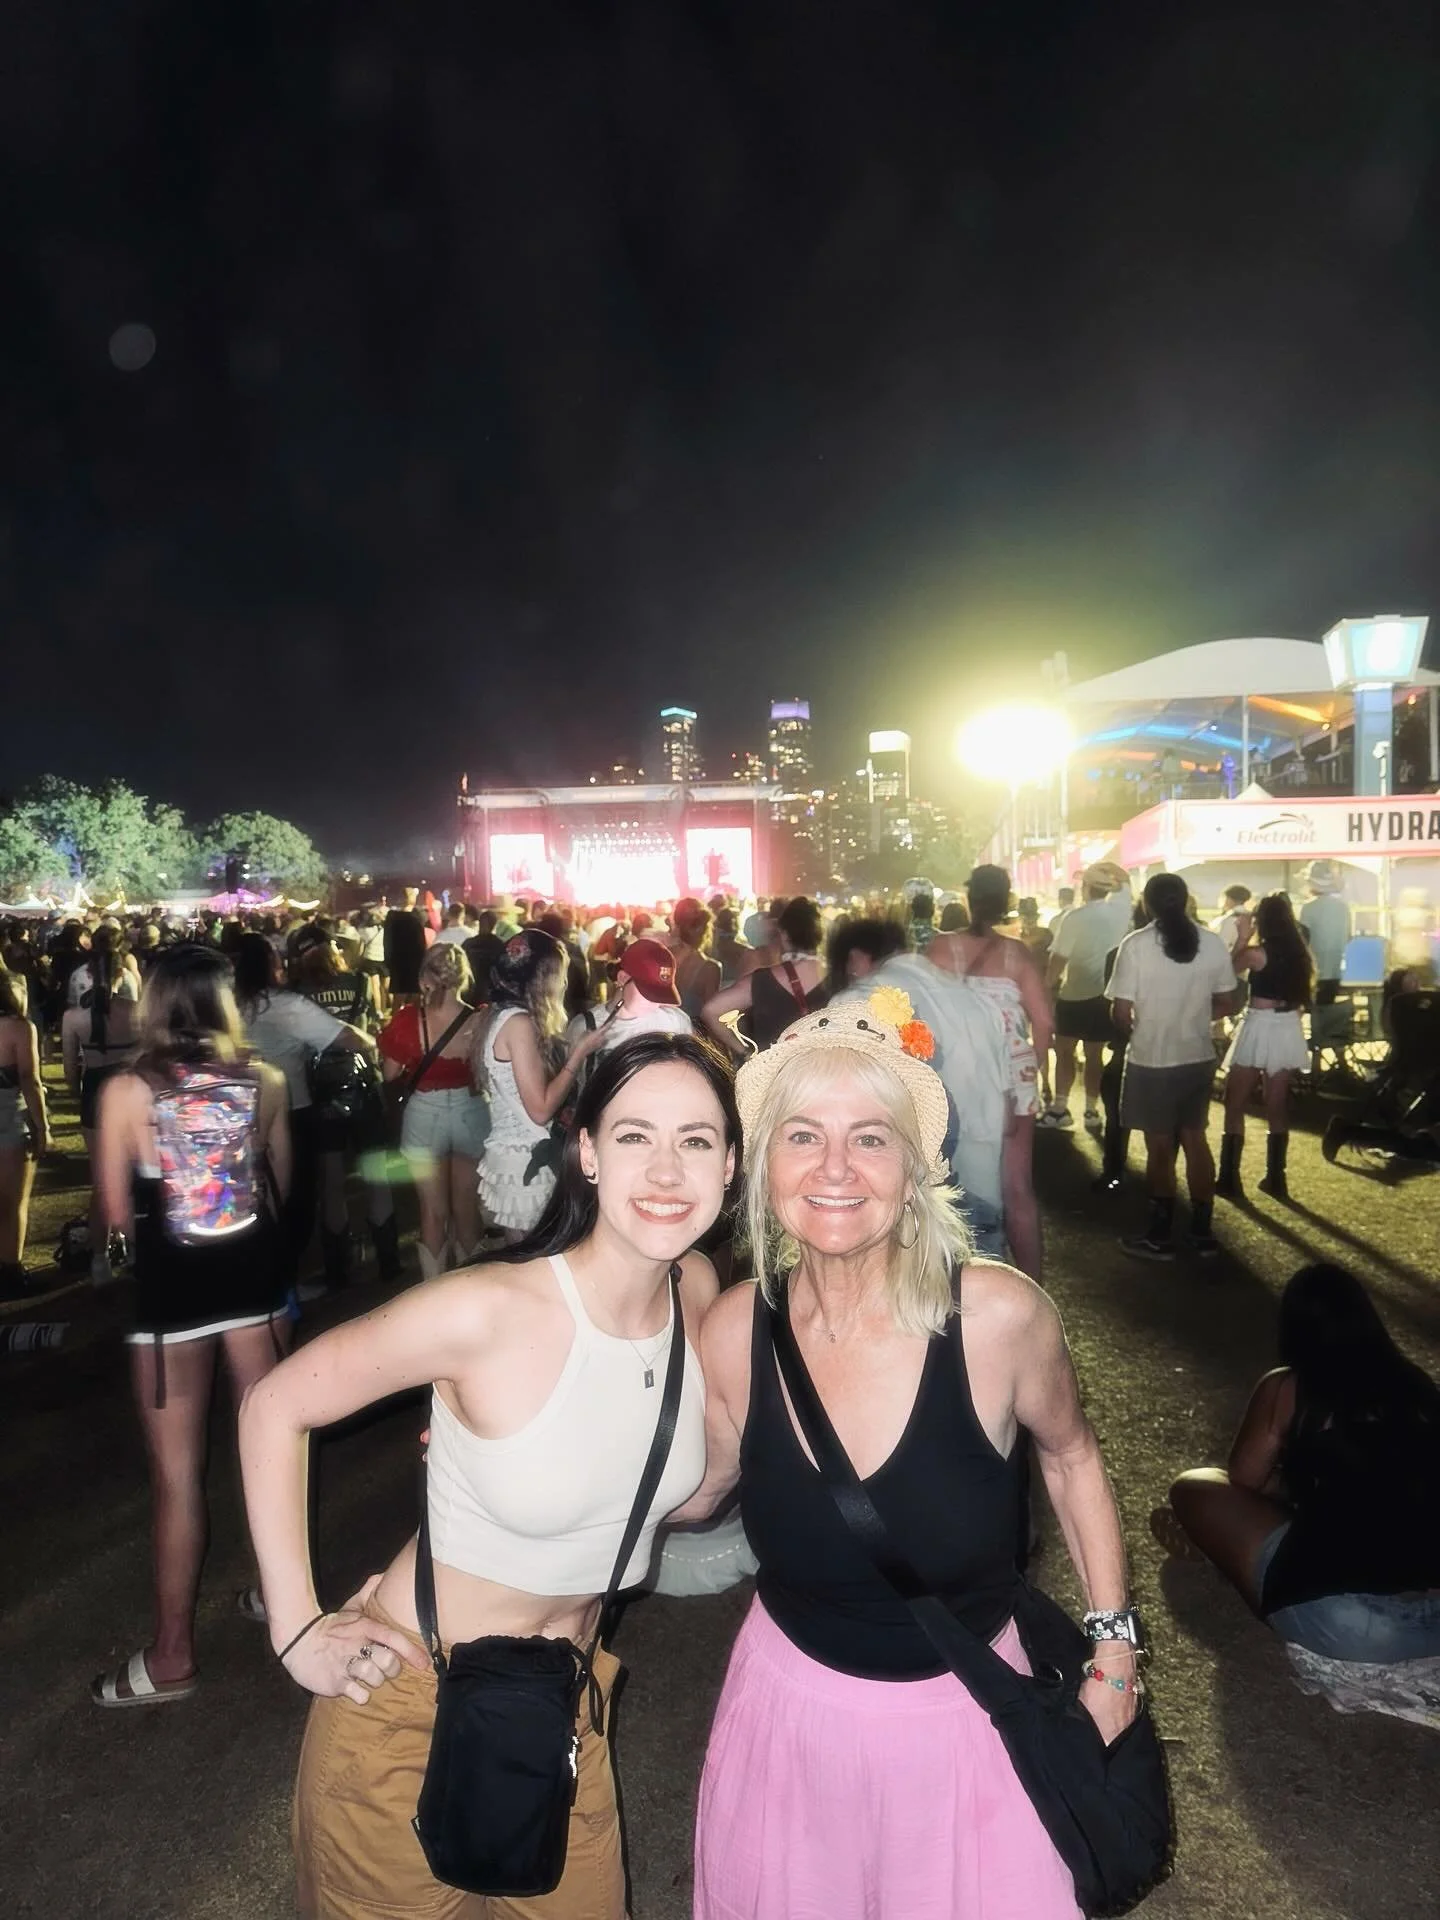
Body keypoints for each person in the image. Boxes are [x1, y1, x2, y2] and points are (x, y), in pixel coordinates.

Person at [238, 1033, 737, 1920]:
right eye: (634, 1137)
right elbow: (274, 1406)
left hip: (559, 1708)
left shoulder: (698, 1289)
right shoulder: (489, 1310)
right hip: (405, 1706)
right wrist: (295, 1629)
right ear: (585, 1150)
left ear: (730, 1163)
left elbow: (677, 1489)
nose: (666, 1169)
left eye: (696, 1140)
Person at [685, 996, 1138, 1919]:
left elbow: (1073, 1460)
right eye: (803, 1135)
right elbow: (696, 1496)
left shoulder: (999, 1318)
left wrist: (1116, 1655)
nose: (837, 1169)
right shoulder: (734, 1330)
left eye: (872, 1138)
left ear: (916, 1164)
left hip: (971, 1721)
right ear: (763, 1163)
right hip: (789, 1717)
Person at [90, 946, 291, 1707]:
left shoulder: (126, 1092)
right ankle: (283, 1596)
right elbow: (282, 1185)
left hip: (172, 1301)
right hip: (254, 1288)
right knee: (270, 1450)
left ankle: (172, 1655)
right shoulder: (264, 1080)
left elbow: (114, 1215)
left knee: (178, 1478)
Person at [1153, 1264, 1440, 1701]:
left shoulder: (1289, 1387)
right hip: (1431, 1622)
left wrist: (1293, 1485)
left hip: (1349, 1622)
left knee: (1195, 1487)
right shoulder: (1417, 1387)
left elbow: (1245, 1480)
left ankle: (1224, 1551)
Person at [1105, 872, 1240, 1261]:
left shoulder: (1136, 946)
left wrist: (1140, 1028)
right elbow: (1228, 1001)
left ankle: (1161, 1234)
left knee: (1159, 1145)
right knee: (1195, 1138)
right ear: (1185, 901)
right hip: (1197, 1057)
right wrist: (1197, 1018)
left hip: (1151, 1058)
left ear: (1146, 903)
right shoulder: (1211, 942)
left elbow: (1121, 1010)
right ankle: (1202, 1231)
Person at [928, 865, 1054, 1280]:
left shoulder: (940, 949)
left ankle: (964, 1284)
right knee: (1017, 1186)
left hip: (958, 1079)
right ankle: (1031, 1291)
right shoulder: (1017, 953)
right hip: (1012, 1077)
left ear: (969, 897)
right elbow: (1044, 1023)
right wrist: (1024, 1069)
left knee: (955, 1181)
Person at [233, 934, 378, 1293]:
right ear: (271, 966)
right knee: (294, 1198)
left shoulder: (224, 1005)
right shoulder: (287, 1006)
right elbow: (349, 1038)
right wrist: (370, 1038)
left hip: (233, 1115)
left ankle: (255, 1275)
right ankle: (283, 1284)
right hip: (290, 1112)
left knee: (244, 1199)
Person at [477, 928, 608, 1238]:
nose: (563, 983)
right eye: (559, 974)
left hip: (510, 1156)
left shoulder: (498, 1015)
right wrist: (579, 1054)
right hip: (527, 1161)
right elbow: (540, 1109)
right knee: (538, 1263)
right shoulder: (519, 1024)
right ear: (541, 979)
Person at [379, 943, 488, 1278]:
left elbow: (389, 1073)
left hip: (425, 1115)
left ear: (426, 978)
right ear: (462, 977)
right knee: (467, 1209)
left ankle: (434, 1290)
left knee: (431, 1211)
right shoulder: (480, 1019)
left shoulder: (409, 1020)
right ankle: (470, 1290)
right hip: (471, 1112)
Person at [1216, 892, 1314, 1203]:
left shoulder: (1258, 954)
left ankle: (1229, 1177)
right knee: (1276, 1103)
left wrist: (1242, 938)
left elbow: (1225, 972)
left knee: (1235, 1101)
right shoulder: (1301, 955)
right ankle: (1276, 1177)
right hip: (1287, 1027)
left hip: (1259, 1024)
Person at [62, 927, 139, 1286]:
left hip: (95, 1093)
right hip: (132, 1091)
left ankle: (99, 1260)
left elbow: (68, 1071)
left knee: (101, 1181)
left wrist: (81, 1097)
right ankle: (138, 1250)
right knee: (139, 1173)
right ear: (122, 974)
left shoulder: (73, 1018)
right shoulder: (136, 1011)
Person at [1043, 863, 1133, 1130]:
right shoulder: (1120, 911)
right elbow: (1125, 882)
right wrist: (1111, 869)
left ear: (1085, 889)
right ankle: (1092, 1111)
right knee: (1095, 1055)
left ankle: (1060, 1108)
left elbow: (1059, 958)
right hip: (1105, 995)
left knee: (1064, 1052)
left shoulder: (1074, 917)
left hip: (1073, 995)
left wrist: (1046, 986)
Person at [701, 895, 828, 1058]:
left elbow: (710, 1010)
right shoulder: (843, 978)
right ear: (820, 936)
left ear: (784, 934)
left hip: (774, 1074)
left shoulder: (762, 980)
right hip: (827, 1074)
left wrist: (747, 1052)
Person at [0, 969, 51, 1301]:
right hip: (8, 1115)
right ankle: (10, 1272)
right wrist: (43, 1127)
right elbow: (30, 1080)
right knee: (13, 1202)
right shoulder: (20, 1027)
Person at [1299, 862, 1351, 1005]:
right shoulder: (1343, 907)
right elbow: (1348, 937)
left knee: (1316, 1012)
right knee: (1328, 1007)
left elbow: (1303, 939)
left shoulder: (1308, 908)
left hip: (1314, 970)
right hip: (1335, 969)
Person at [669, 897, 722, 1018]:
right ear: (707, 929)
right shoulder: (711, 968)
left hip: (656, 1031)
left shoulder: (663, 956)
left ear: (677, 922)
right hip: (689, 1034)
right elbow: (711, 1015)